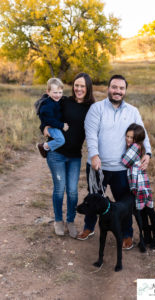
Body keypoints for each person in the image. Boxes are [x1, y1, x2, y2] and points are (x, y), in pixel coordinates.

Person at [77, 74, 152, 250]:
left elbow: (143, 134)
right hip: (98, 167)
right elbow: (91, 134)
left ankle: (126, 234)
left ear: (125, 90)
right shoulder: (96, 108)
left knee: (124, 202)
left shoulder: (132, 111)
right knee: (93, 199)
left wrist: (147, 153)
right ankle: (89, 227)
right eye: (114, 87)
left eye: (121, 88)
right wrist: (94, 155)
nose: (117, 91)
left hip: (122, 169)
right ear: (108, 88)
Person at [41, 73, 95, 237]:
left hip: (74, 157)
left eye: (82, 86)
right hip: (56, 154)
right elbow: (47, 115)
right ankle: (58, 220)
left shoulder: (92, 108)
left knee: (72, 191)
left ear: (87, 89)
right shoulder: (64, 101)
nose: (79, 89)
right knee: (59, 189)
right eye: (76, 85)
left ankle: (70, 221)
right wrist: (44, 128)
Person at [121, 123, 155, 249]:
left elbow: (124, 161)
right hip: (140, 184)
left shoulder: (135, 147)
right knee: (143, 210)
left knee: (148, 210)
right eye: (127, 136)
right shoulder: (138, 146)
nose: (128, 139)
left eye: (131, 137)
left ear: (137, 139)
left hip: (140, 185)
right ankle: (147, 236)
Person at [36, 78, 69, 158]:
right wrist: (62, 125)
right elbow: (50, 120)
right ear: (48, 92)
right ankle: (44, 146)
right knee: (60, 140)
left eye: (60, 92)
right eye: (55, 92)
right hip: (50, 126)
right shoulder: (47, 105)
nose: (58, 95)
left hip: (54, 125)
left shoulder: (57, 100)